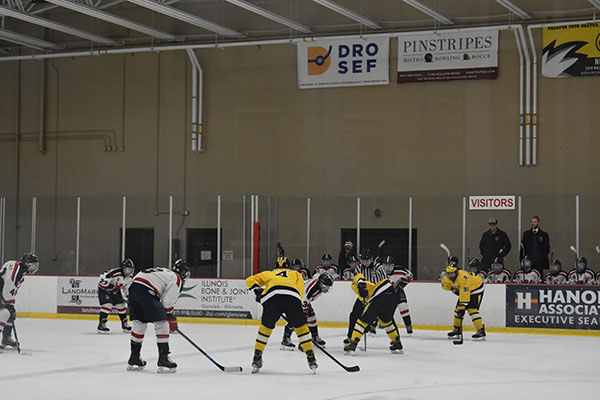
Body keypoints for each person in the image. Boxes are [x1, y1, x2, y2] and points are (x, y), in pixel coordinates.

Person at [246, 256, 317, 374]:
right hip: (292, 298)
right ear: (288, 266)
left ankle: (257, 357)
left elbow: (250, 280)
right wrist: (293, 311)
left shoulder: (270, 273)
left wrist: (258, 291)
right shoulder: (295, 274)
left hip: (272, 297)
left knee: (265, 329)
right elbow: (299, 291)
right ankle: (311, 357)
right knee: (302, 329)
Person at [126, 259, 190, 373]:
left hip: (133, 290)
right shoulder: (176, 278)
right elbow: (167, 303)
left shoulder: (165, 272)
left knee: (139, 324)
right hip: (147, 291)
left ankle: (134, 358)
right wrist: (171, 318)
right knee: (162, 323)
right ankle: (163, 359)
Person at [343, 269, 403, 355]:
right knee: (386, 321)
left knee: (362, 321)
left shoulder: (359, 283)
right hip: (394, 296)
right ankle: (397, 343)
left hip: (381, 295)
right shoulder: (364, 292)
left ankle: (353, 344)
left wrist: (360, 285)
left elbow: (359, 277)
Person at [343, 249, 388, 345]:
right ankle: (350, 336)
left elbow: (384, 283)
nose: (365, 263)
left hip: (376, 296)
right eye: (363, 260)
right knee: (354, 315)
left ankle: (395, 340)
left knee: (384, 318)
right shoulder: (359, 268)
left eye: (367, 260)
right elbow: (356, 282)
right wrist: (360, 290)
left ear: (371, 259)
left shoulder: (378, 268)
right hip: (363, 297)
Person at [280, 272, 333, 350]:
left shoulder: (318, 282)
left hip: (301, 298)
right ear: (321, 284)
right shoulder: (311, 290)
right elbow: (303, 301)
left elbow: (317, 274)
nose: (327, 289)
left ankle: (315, 336)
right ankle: (286, 340)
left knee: (311, 316)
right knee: (295, 320)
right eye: (327, 287)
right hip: (294, 299)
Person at [0, 253, 39, 350]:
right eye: (33, 264)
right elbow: (8, 283)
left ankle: (6, 338)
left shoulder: (15, 265)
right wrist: (7, 303)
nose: (34, 267)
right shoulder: (18, 271)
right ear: (26, 264)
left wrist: (9, 303)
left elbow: (7, 285)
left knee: (10, 313)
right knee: (4, 313)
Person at [441, 259, 486, 341]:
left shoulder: (463, 278)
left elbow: (465, 294)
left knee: (472, 309)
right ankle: (457, 329)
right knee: (457, 310)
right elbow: (446, 287)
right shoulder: (447, 278)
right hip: (465, 290)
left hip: (476, 288)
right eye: (449, 273)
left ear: (457, 271)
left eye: (452, 273)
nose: (450, 275)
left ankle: (481, 331)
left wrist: (462, 306)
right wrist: (454, 289)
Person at [97, 258, 135, 333]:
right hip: (104, 290)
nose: (129, 271)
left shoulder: (130, 277)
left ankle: (124, 323)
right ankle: (101, 324)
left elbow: (126, 288)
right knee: (107, 305)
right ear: (123, 268)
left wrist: (129, 297)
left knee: (121, 305)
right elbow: (101, 280)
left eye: (130, 269)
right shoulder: (115, 273)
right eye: (127, 269)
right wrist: (110, 287)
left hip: (115, 291)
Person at [381, 256, 413, 334]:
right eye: (386, 266)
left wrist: (401, 285)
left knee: (403, 307)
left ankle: (408, 325)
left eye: (390, 266)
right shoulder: (379, 270)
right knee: (378, 308)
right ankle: (372, 326)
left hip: (397, 292)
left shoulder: (400, 270)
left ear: (393, 265)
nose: (388, 268)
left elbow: (410, 275)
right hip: (384, 293)